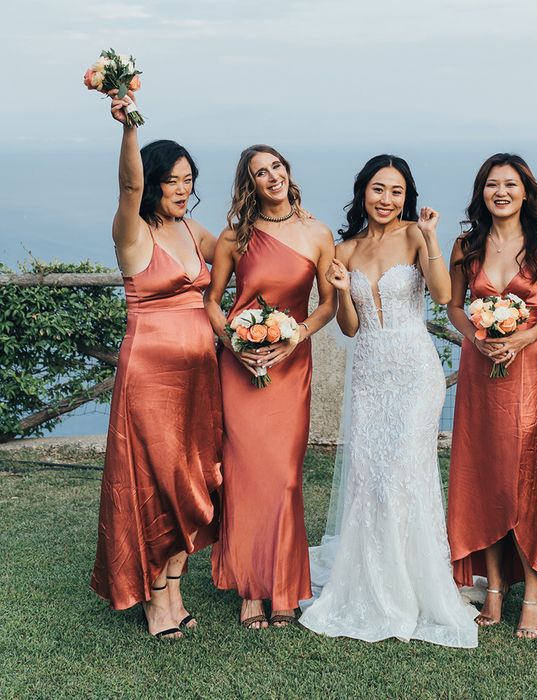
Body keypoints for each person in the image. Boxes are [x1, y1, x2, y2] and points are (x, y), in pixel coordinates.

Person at [299, 154, 478, 648]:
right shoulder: (345, 248)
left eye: (396, 191)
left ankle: (415, 586)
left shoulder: (417, 235)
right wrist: (341, 292)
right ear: (363, 192)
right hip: (370, 372)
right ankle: (371, 580)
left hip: (415, 369)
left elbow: (442, 294)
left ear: (407, 196)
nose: (386, 199)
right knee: (371, 474)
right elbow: (350, 328)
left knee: (403, 470)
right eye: (378, 189)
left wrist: (434, 238)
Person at [91, 91, 222, 639]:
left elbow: (248, 249)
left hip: (203, 376)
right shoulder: (133, 232)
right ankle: (155, 597)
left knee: (195, 475)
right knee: (156, 479)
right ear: (154, 181)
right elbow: (128, 187)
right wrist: (127, 128)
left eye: (190, 179)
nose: (184, 189)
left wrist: (294, 218)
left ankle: (173, 583)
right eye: (173, 180)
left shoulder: (194, 232)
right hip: (152, 376)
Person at [204, 145, 336, 629]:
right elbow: (214, 302)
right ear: (250, 184)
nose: (272, 176)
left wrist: (297, 335)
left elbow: (327, 305)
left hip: (291, 366)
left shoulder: (319, 233)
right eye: (261, 173)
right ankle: (251, 589)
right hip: (239, 368)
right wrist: (233, 343)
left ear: (288, 171)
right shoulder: (234, 238)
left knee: (283, 476)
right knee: (244, 474)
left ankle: (282, 585)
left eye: (277, 167)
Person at [446, 153, 537, 638]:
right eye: (492, 184)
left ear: (525, 191)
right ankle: (494, 586)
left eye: (510, 184)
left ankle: (533, 588)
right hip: (478, 371)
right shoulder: (466, 245)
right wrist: (475, 338)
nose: (501, 192)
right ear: (481, 192)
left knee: (523, 475)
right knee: (484, 474)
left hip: (524, 371)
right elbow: (454, 306)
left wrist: (519, 339)